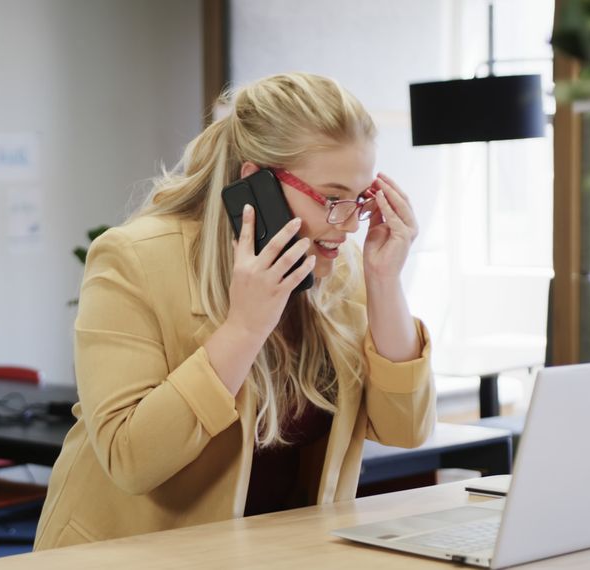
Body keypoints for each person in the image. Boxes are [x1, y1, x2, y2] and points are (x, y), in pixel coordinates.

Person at [34, 72, 435, 549]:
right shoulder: (132, 259)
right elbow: (131, 459)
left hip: (274, 555)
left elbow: (407, 430)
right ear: (257, 184)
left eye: (360, 200)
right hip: (127, 556)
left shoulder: (340, 269)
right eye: (331, 199)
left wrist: (385, 284)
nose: (348, 225)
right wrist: (245, 328)